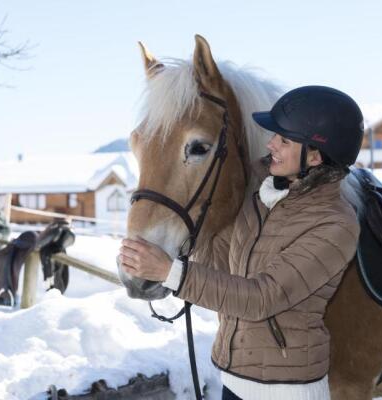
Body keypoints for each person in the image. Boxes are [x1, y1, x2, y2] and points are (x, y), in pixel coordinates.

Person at [119, 86, 363, 399]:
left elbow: (262, 298)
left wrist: (170, 272)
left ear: (314, 156)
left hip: (287, 391)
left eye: (284, 140)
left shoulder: (335, 225)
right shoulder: (261, 199)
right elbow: (223, 271)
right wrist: (163, 244)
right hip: (235, 379)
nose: (270, 143)